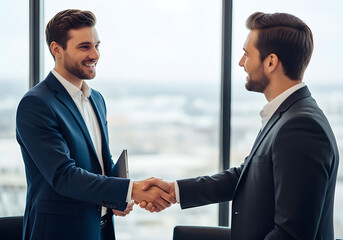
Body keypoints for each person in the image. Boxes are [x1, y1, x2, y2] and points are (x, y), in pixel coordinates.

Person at [139, 12, 339, 239]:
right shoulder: (287, 116)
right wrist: (174, 191)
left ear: (271, 62)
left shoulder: (300, 127)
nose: (241, 63)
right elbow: (244, 177)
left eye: (247, 54)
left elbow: (291, 235)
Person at [16, 9, 175, 240]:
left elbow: (99, 163)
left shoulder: (96, 99)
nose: (95, 55)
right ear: (56, 49)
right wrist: (131, 189)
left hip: (100, 229)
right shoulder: (37, 104)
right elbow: (63, 176)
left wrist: (118, 199)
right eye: (84, 47)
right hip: (58, 232)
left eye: (96, 45)